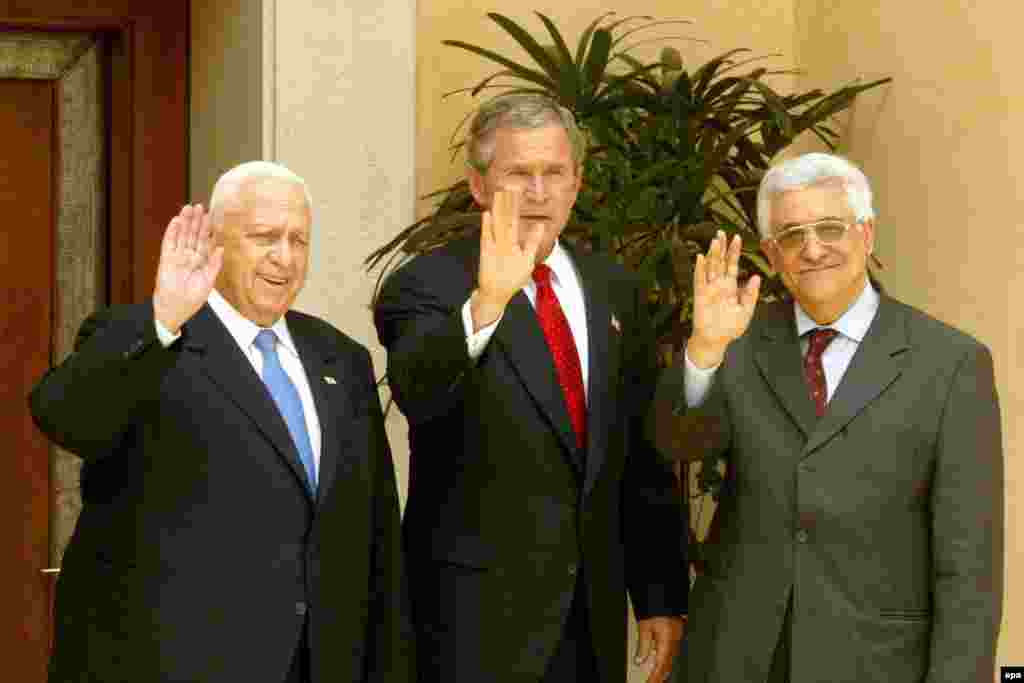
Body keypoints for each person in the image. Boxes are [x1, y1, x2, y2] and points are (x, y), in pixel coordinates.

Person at [30, 162, 413, 683]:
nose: (285, 256)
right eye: (265, 237)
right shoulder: (151, 336)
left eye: (299, 239)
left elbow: (375, 534)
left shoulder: (340, 359)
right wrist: (163, 318)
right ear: (214, 240)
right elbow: (65, 417)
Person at [649, 152, 1003, 682]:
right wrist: (703, 351)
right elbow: (677, 445)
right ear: (771, 252)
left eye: (830, 228)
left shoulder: (950, 364)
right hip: (737, 658)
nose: (812, 249)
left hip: (877, 662)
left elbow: (969, 563)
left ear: (867, 234)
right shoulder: (735, 342)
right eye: (792, 235)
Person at [373, 94, 687, 683]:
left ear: (577, 182)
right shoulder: (426, 284)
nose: (539, 191)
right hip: (472, 623)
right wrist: (487, 303)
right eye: (519, 173)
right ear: (479, 185)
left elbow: (640, 454)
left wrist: (659, 595)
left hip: (589, 620)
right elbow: (418, 393)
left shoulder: (614, 290)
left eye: (554, 172)